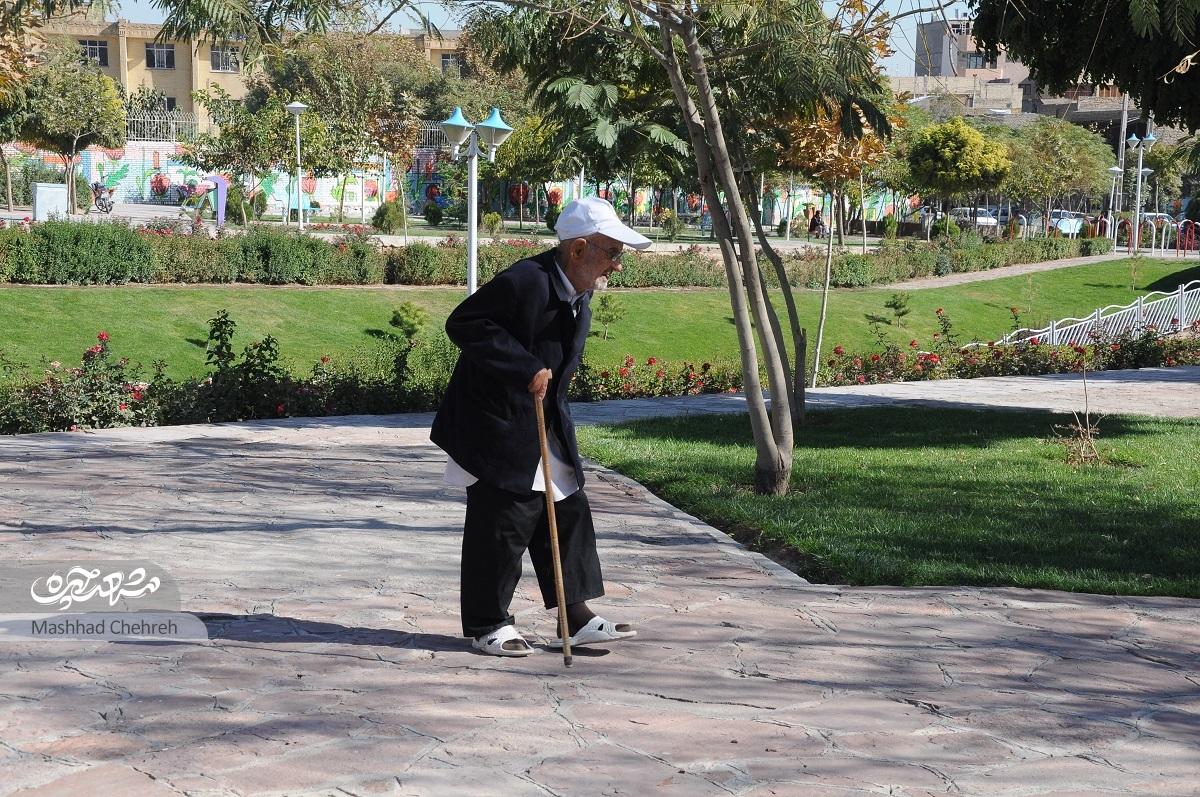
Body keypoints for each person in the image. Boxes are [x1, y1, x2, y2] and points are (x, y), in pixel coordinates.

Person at [431, 197, 650, 657]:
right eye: (612, 253)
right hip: (494, 425)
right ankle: (489, 624)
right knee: (504, 518)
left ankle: (575, 617)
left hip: (540, 422)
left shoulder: (579, 294)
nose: (617, 265)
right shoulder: (526, 280)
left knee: (568, 508)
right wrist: (523, 366)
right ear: (578, 249)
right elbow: (465, 322)